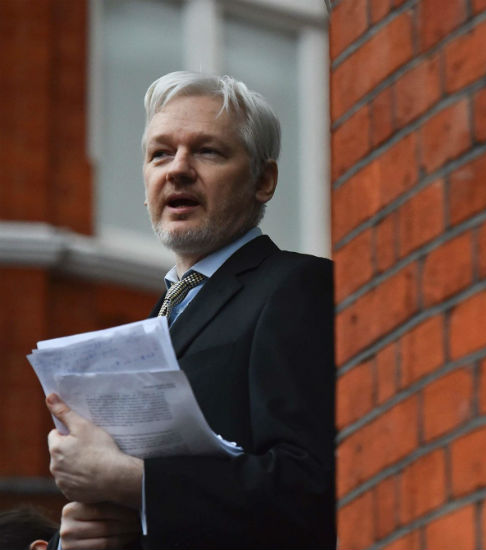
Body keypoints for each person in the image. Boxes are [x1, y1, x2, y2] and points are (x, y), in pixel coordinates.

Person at [44, 71, 336, 549]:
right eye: (160, 153)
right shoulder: (156, 321)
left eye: (207, 151)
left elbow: (311, 485)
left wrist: (135, 484)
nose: (176, 169)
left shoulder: (295, 287)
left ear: (264, 180)